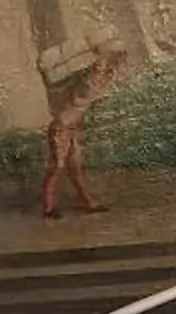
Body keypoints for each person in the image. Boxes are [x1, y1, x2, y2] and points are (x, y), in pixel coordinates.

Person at [41, 39, 123, 218]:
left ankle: (89, 203)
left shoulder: (96, 81)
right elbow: (94, 88)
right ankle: (47, 207)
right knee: (57, 166)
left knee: (75, 167)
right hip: (61, 127)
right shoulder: (87, 82)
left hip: (71, 129)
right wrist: (102, 62)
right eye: (99, 66)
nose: (102, 69)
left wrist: (108, 69)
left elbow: (102, 85)